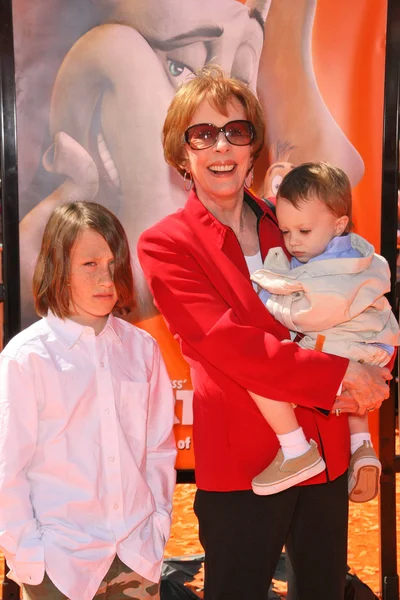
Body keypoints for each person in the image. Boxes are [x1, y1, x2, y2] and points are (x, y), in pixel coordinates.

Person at [137, 65, 391, 600]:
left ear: (255, 145)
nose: (222, 146)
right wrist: (343, 373)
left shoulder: (294, 219)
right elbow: (234, 347)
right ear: (181, 154)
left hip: (325, 449)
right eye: (203, 134)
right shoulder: (167, 245)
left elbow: (354, 295)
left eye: (237, 130)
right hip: (246, 466)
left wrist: (375, 357)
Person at [0, 201, 176, 600]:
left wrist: (157, 526)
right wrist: (29, 557)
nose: (106, 279)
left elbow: (159, 449)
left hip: (135, 556)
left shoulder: (142, 349)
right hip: (57, 569)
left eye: (113, 264)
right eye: (90, 264)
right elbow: (7, 470)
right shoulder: (26, 357)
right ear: (58, 270)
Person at [249, 162, 399, 501]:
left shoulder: (331, 271)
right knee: (350, 389)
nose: (293, 242)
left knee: (261, 375)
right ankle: (362, 447)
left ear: (339, 224)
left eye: (303, 231)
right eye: (285, 232)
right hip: (373, 344)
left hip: (351, 345)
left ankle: (295, 448)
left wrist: (268, 301)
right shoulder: (354, 253)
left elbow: (307, 316)